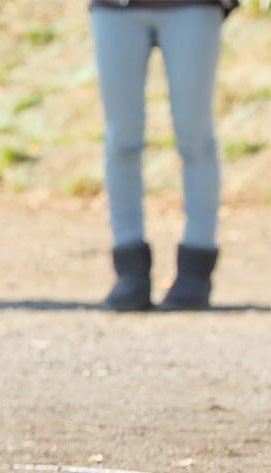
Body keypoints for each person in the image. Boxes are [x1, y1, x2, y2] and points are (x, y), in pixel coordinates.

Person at [90, 0, 238, 311]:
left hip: (194, 6)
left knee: (195, 137)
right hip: (115, 9)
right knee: (121, 139)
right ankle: (129, 267)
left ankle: (196, 266)